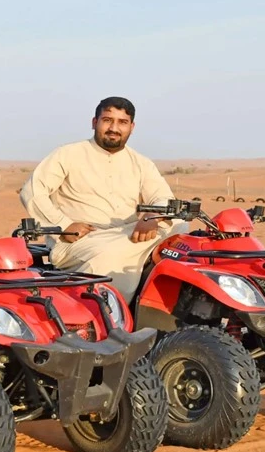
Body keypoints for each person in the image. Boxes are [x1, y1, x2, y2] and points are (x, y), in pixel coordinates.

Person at [19, 96, 183, 301]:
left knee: (181, 227)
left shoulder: (141, 163)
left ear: (132, 127)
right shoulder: (68, 154)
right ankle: (112, 321)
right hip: (79, 240)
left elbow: (162, 197)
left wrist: (153, 215)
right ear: (94, 122)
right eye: (107, 120)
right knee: (113, 254)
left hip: (127, 233)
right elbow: (32, 192)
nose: (114, 128)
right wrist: (63, 225)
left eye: (122, 122)